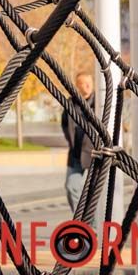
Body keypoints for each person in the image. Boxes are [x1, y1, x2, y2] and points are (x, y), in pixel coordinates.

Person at [60, 72, 96, 212]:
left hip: (94, 153)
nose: (87, 86)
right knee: (71, 186)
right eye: (83, 83)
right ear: (77, 86)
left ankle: (92, 227)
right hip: (76, 153)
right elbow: (64, 124)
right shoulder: (70, 103)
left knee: (94, 194)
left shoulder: (99, 103)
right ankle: (82, 222)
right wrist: (71, 141)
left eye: (89, 82)